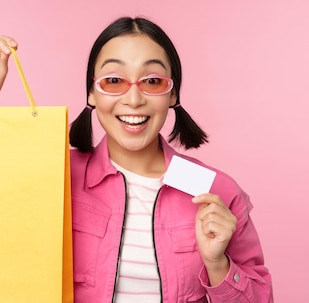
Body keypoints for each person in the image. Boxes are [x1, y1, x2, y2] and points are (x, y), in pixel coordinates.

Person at [0, 17, 273, 303]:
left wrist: (219, 266)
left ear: (173, 93)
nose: (133, 98)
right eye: (114, 80)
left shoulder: (216, 190)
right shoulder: (53, 175)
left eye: (152, 81)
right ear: (91, 93)